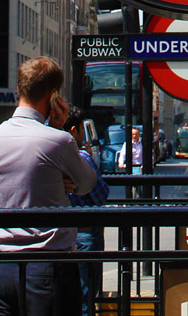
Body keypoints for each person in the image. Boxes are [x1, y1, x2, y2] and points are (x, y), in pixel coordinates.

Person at [0, 56, 97, 316]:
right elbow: (88, 183)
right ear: (54, 96)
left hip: (3, 266)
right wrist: (59, 130)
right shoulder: (59, 140)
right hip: (48, 266)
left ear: (20, 88)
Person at [63, 105, 110, 314]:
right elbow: (101, 195)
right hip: (86, 234)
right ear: (74, 131)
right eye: (82, 129)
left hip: (60, 236)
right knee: (88, 295)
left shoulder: (50, 157)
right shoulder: (82, 158)